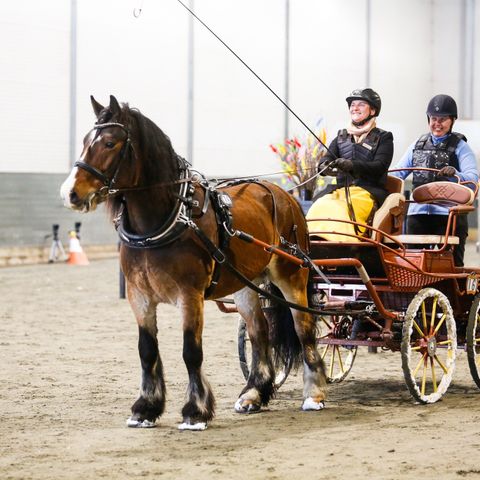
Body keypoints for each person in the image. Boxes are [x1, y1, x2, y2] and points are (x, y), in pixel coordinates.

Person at [391, 94, 478, 266]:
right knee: (412, 262)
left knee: (452, 263)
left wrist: (456, 174)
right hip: (418, 213)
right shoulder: (417, 144)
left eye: (443, 119)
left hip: (448, 215)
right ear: (428, 119)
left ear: (452, 121)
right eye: (434, 118)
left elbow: (473, 177)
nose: (437, 123)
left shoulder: (461, 147)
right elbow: (397, 173)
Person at [307, 88, 394, 242]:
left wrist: (352, 165)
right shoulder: (341, 137)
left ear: (373, 110)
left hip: (367, 193)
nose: (355, 108)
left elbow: (380, 166)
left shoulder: (384, 138)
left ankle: (344, 246)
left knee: (340, 211)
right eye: (353, 104)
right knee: (318, 207)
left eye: (361, 104)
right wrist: (324, 166)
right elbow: (325, 158)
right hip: (340, 191)